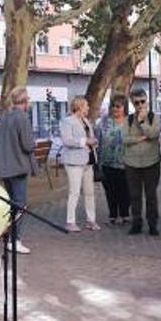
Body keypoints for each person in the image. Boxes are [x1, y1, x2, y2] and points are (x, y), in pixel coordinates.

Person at [0, 87, 35, 251]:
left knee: (10, 203)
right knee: (20, 204)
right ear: (25, 102)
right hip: (18, 167)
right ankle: (14, 240)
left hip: (4, 166)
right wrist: (33, 144)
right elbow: (27, 144)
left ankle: (8, 236)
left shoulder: (3, 117)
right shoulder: (22, 117)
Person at [123, 87, 161, 235]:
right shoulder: (128, 119)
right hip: (132, 163)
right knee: (134, 195)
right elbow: (125, 139)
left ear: (147, 101)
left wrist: (143, 122)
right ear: (132, 103)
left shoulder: (154, 117)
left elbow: (154, 134)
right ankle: (136, 223)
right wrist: (140, 138)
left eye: (142, 102)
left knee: (151, 195)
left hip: (151, 162)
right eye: (136, 102)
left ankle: (153, 224)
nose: (140, 105)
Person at [59, 95, 100, 233]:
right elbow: (67, 140)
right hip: (74, 162)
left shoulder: (86, 121)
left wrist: (93, 142)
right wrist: (85, 141)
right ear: (80, 106)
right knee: (74, 191)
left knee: (89, 192)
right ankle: (70, 221)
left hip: (88, 160)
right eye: (86, 105)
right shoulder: (67, 121)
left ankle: (91, 219)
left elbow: (88, 138)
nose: (88, 108)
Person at [97, 96, 131, 225]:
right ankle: (113, 214)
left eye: (118, 106)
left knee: (125, 190)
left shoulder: (130, 122)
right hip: (107, 162)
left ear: (124, 108)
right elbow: (97, 138)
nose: (115, 109)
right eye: (113, 106)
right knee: (110, 190)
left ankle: (124, 213)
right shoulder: (104, 122)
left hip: (125, 162)